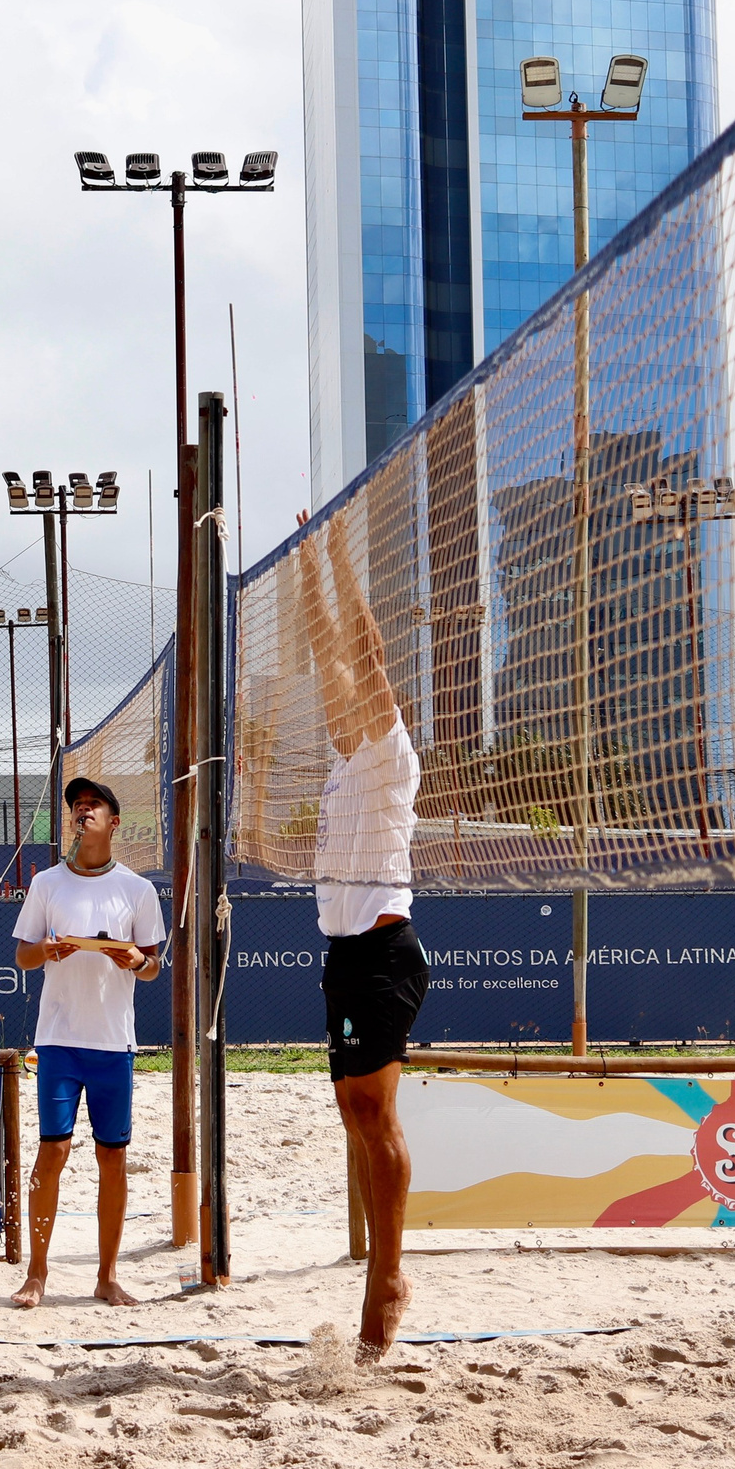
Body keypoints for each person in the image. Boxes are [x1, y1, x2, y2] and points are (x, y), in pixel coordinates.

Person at [296, 511, 426, 1357]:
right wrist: (306, 565)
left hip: (383, 951)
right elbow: (323, 650)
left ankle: (389, 1274)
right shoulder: (346, 763)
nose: (345, 701)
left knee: (375, 1113)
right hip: (344, 955)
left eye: (358, 699)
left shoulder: (387, 754)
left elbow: (366, 652)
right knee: (352, 1111)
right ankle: (384, 1267)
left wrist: (342, 557)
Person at [8, 778, 164, 1309]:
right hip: (58, 1038)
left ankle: (107, 1276)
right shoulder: (48, 884)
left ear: (114, 821)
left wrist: (137, 961)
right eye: (77, 806)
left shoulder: (138, 890)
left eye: (92, 805)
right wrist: (48, 950)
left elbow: (153, 967)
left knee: (112, 1158)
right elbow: (23, 957)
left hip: (113, 1042)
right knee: (53, 1150)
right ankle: (36, 1273)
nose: (82, 811)